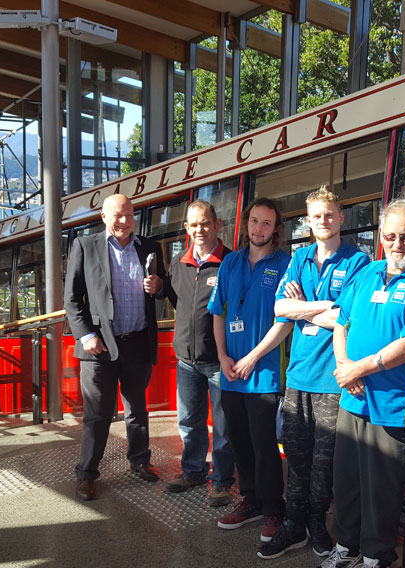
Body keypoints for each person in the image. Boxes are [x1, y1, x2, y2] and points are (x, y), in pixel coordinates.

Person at [312, 199, 405, 568]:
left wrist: (361, 368)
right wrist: (343, 367)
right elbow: (342, 323)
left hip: (395, 406)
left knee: (382, 491)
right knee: (348, 482)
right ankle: (347, 549)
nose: (397, 243)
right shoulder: (368, 273)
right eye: (390, 236)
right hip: (352, 398)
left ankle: (377, 563)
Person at [258, 186, 370, 560]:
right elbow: (279, 308)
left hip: (332, 381)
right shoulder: (300, 257)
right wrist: (316, 307)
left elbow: (347, 316)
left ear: (340, 217)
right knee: (296, 456)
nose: (322, 221)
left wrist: (301, 306)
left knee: (324, 466)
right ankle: (293, 525)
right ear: (308, 221)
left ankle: (317, 523)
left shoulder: (358, 262)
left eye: (329, 214)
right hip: (297, 378)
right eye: (315, 216)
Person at [64, 193, 168, 501]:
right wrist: (86, 336)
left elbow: (163, 290)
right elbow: (72, 299)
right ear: (104, 217)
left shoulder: (149, 247)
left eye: (128, 215)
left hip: (136, 341)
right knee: (98, 414)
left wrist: (159, 287)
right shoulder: (85, 246)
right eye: (117, 215)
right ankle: (86, 473)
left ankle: (140, 461)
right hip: (98, 349)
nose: (123, 221)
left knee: (137, 409)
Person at [207, 198, 293, 543]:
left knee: (264, 445)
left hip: (263, 373)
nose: (259, 229)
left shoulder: (286, 264)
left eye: (266, 223)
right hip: (230, 372)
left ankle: (274, 509)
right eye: (254, 221)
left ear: (276, 229)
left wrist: (253, 357)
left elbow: (285, 320)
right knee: (239, 441)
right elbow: (218, 313)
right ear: (246, 224)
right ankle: (252, 500)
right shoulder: (230, 262)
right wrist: (223, 356)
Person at [164, 200, 235, 507]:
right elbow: (174, 300)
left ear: (217, 225)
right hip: (186, 361)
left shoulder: (231, 262)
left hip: (219, 360)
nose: (200, 230)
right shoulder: (178, 263)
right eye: (193, 225)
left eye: (205, 223)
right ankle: (193, 470)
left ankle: (221, 480)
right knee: (188, 421)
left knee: (223, 425)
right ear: (186, 229)